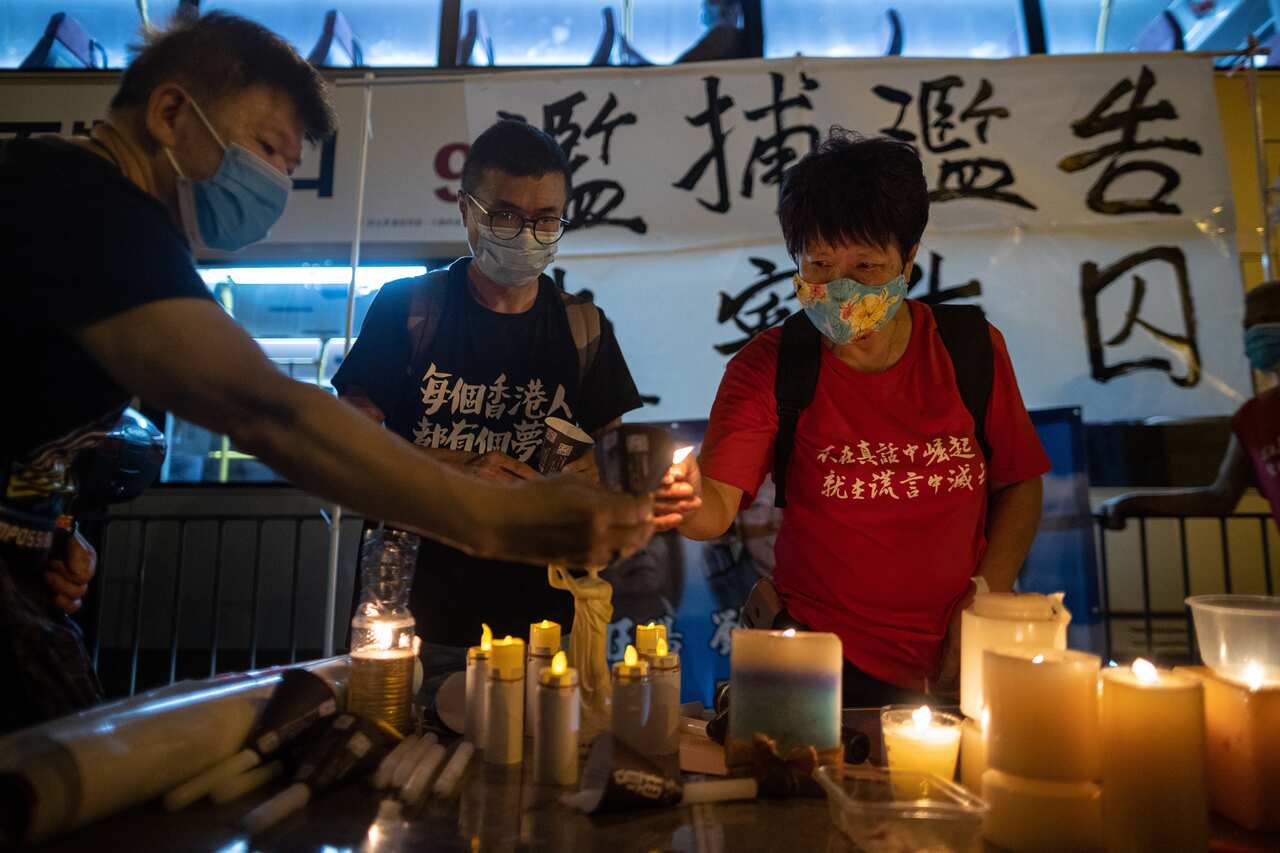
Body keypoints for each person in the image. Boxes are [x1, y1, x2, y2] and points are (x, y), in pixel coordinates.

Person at [0, 14, 651, 734]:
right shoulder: (79, 198)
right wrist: (494, 517)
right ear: (171, 112)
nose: (279, 180)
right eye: (267, 148)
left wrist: (40, 528)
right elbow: (262, 406)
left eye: (287, 162)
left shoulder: (111, 225)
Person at [656, 130, 1050, 707]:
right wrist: (686, 503)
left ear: (908, 257)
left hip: (961, 659)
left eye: (866, 266)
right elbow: (715, 508)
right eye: (819, 263)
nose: (840, 289)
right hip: (812, 663)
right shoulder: (769, 365)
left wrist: (984, 599)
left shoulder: (970, 349)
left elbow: (1019, 483)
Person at [333, 119, 645, 703]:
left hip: (545, 623)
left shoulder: (583, 327)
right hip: (412, 618)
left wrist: (594, 482)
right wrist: (452, 469)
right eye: (505, 215)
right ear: (467, 210)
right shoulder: (409, 307)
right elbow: (347, 437)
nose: (527, 234)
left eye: (547, 219)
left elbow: (615, 460)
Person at [1103, 282, 1280, 527]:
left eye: (1270, 318)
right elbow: (1219, 498)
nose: (1257, 331)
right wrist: (1129, 502)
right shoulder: (1253, 418)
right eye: (1249, 325)